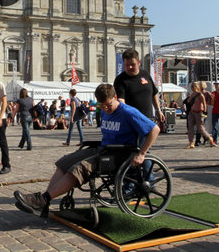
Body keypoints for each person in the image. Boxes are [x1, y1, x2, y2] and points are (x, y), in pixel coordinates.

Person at [14, 83, 161, 218]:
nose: (105, 109)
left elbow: (155, 129)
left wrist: (141, 154)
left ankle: (43, 199)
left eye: (108, 105)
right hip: (104, 149)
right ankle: (44, 201)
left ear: (115, 97)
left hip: (119, 155)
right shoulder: (103, 111)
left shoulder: (128, 112)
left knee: (78, 168)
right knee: (64, 162)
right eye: (101, 106)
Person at [113, 48, 165, 124]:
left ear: (139, 63)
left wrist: (158, 110)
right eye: (127, 65)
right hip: (132, 120)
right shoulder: (120, 79)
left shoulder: (145, 74)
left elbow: (154, 93)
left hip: (148, 119)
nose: (129, 67)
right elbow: (121, 101)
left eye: (132, 64)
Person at [186, 82, 216, 148]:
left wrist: (204, 113)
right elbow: (188, 101)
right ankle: (191, 142)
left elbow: (204, 104)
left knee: (200, 128)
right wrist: (189, 97)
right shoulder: (193, 94)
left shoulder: (200, 94)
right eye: (191, 87)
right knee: (190, 127)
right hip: (192, 112)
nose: (192, 88)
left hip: (199, 112)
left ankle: (210, 138)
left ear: (197, 87)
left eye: (193, 86)